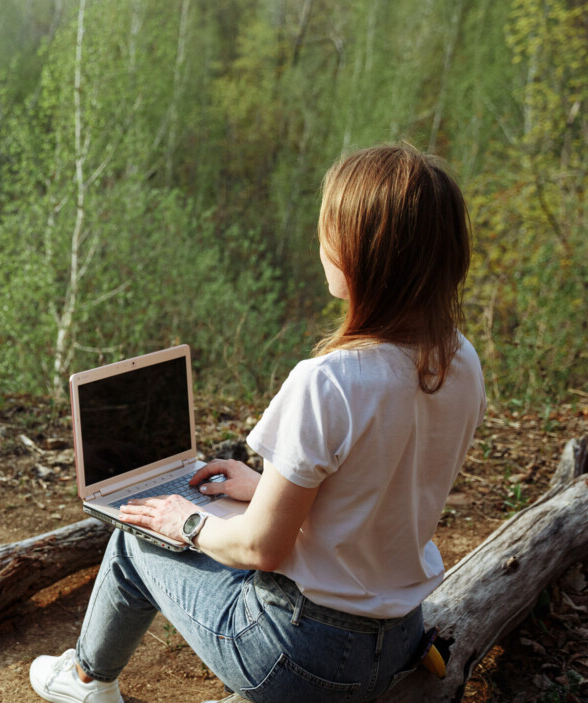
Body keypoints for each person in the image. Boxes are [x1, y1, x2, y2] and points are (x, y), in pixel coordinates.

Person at [29, 143, 486, 703]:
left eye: (329, 232)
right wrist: (265, 489)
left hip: (302, 661)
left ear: (363, 255)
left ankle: (86, 683)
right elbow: (374, 489)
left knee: (135, 539)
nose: (321, 245)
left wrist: (185, 523)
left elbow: (261, 552)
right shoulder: (458, 361)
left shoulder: (330, 381)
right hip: (398, 643)